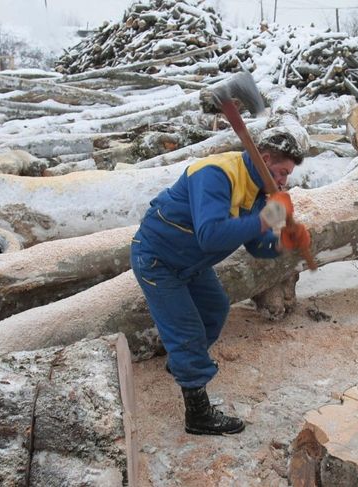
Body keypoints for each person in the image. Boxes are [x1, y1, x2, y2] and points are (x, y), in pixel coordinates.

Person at [130, 129, 311, 436]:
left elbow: (256, 245)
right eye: (281, 173)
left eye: (287, 176)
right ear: (265, 159)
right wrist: (267, 219)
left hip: (192, 262)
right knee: (186, 330)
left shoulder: (256, 189)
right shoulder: (215, 173)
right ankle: (198, 415)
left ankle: (182, 364)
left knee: (215, 309)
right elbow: (210, 234)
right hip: (158, 259)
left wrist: (283, 240)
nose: (283, 182)